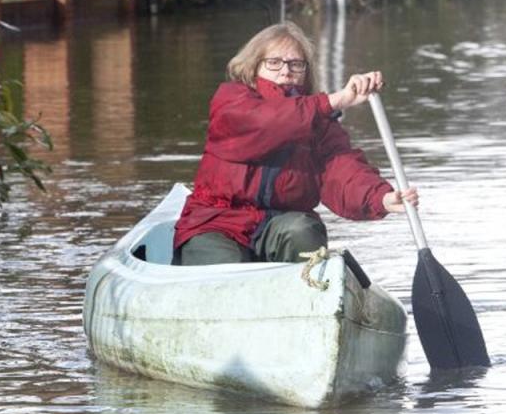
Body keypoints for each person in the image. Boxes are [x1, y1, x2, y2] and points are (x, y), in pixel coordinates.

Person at [173, 21, 418, 266]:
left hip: (281, 223)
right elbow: (269, 121)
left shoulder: (320, 124)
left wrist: (382, 199)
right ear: (254, 66)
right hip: (217, 221)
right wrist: (336, 100)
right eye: (273, 62)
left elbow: (345, 174)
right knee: (225, 266)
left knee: (303, 230)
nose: (285, 71)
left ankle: (306, 292)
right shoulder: (230, 99)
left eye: (295, 64)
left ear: (306, 72)